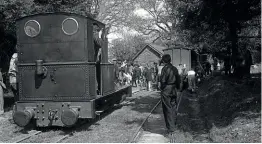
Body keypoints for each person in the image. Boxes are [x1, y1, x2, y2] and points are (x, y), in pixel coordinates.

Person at [158, 54, 180, 139]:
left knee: (167, 109)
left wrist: (162, 88)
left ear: (163, 61)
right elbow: (178, 79)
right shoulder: (174, 68)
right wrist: (177, 88)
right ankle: (174, 125)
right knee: (174, 107)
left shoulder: (165, 69)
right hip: (174, 89)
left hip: (167, 90)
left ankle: (171, 129)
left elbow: (163, 81)